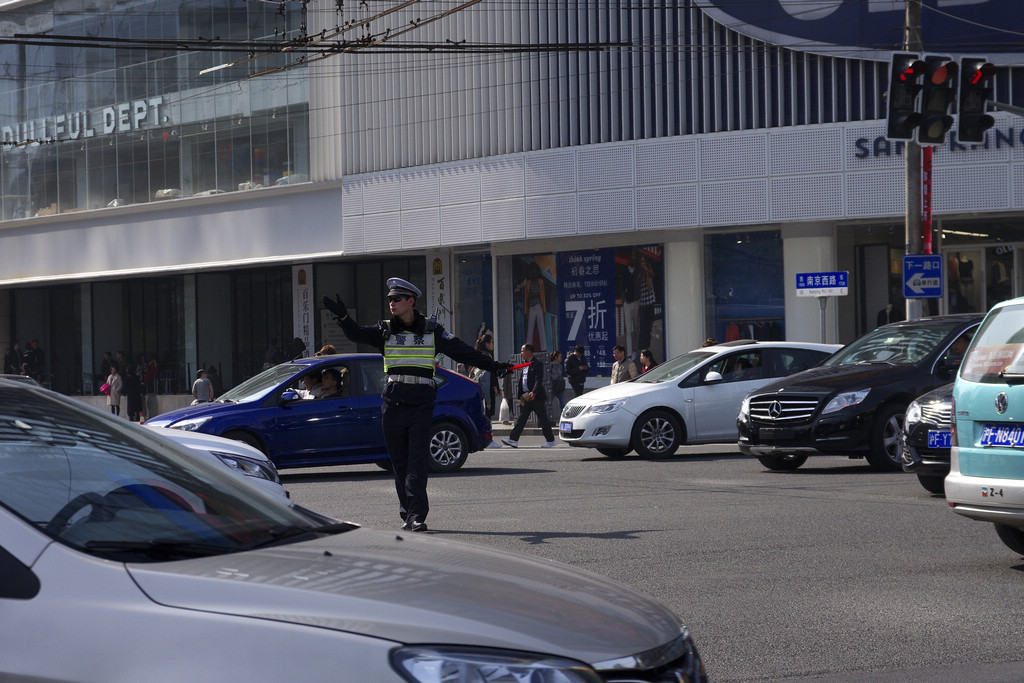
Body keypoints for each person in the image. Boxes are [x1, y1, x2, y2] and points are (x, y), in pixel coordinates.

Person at [323, 277, 511, 533]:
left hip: (421, 402)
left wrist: (495, 365)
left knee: (417, 461)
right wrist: (343, 316)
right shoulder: (385, 330)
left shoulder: (432, 330)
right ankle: (407, 513)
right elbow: (356, 333)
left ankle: (417, 515)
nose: (392, 303)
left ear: (411, 301)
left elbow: (464, 352)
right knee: (399, 462)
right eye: (389, 299)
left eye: (397, 299)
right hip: (393, 400)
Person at [502, 344, 557, 449]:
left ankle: (550, 440)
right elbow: (523, 380)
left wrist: (534, 392)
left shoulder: (537, 364)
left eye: (523, 351)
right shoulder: (524, 364)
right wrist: (521, 395)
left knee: (543, 419)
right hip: (526, 397)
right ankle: (513, 439)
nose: (521, 353)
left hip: (535, 397)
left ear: (529, 352)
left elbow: (538, 380)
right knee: (521, 419)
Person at [470, 334, 499, 418]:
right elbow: (487, 377)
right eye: (491, 342)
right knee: (486, 417)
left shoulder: (476, 355)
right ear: (486, 344)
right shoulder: (486, 357)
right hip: (486, 391)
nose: (492, 344)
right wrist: (495, 388)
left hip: (476, 390)